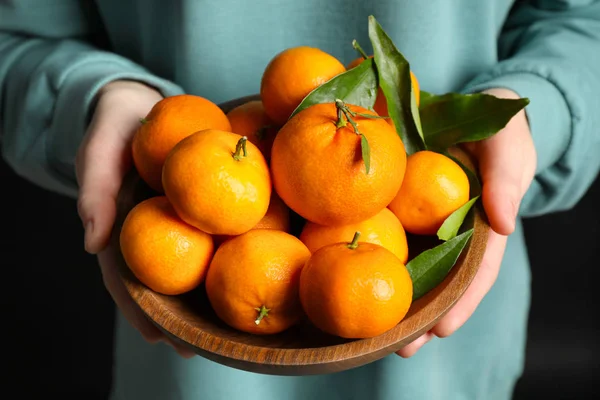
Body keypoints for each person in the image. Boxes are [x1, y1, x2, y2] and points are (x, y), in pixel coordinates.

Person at [1, 0, 599, 399]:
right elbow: (17, 33)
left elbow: (582, 19)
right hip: (191, 360)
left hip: (446, 360)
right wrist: (96, 99)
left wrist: (529, 107)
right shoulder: (252, 161)